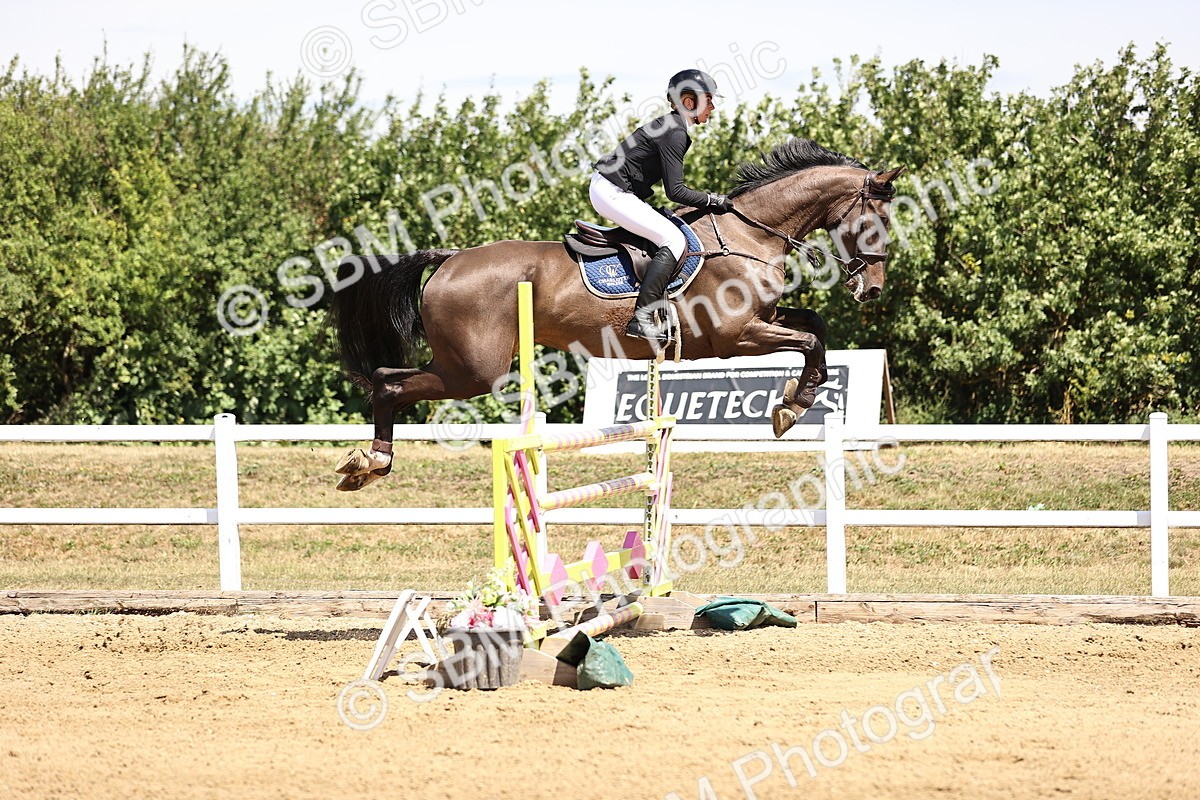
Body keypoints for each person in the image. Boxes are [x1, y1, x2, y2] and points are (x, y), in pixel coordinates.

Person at [591, 69, 734, 344]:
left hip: (611, 188)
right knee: (674, 240)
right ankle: (641, 319)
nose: (713, 107)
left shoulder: (673, 126)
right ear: (689, 102)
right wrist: (712, 200)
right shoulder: (675, 132)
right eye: (708, 100)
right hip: (611, 191)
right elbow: (676, 191)